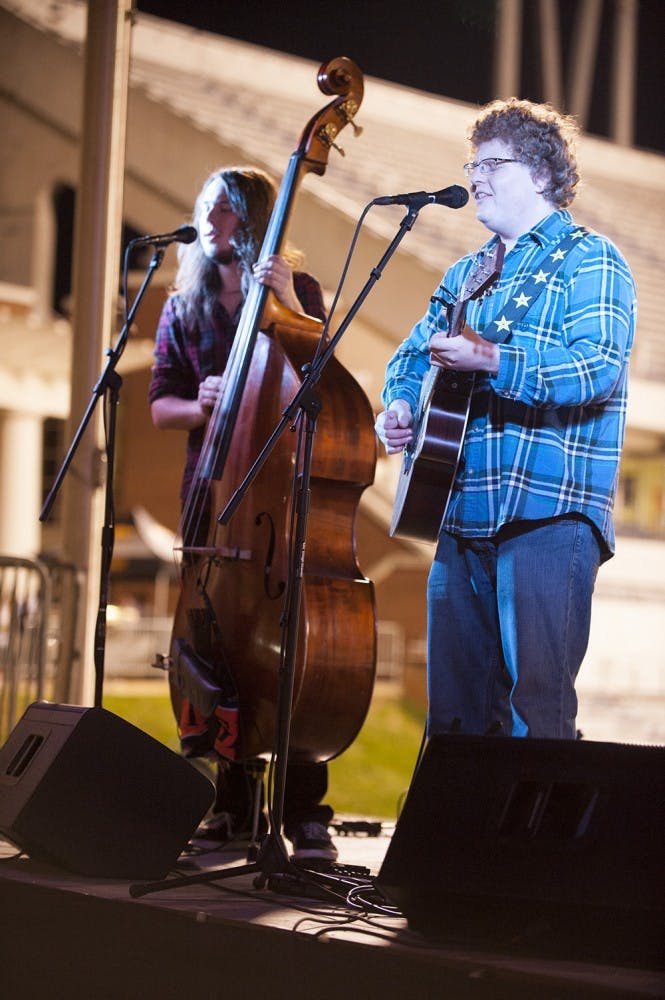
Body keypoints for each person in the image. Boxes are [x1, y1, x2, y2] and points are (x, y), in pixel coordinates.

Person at [375, 98, 636, 741]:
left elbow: (594, 367)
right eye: (473, 164)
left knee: (537, 712)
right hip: (461, 513)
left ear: (543, 174)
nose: (476, 178)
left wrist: (491, 357)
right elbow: (411, 355)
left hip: (548, 514)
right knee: (455, 716)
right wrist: (401, 404)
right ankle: (460, 844)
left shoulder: (590, 258)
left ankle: (538, 846)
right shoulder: (468, 272)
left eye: (494, 163)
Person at [149, 166, 337, 861]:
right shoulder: (184, 302)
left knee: (289, 642)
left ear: (254, 219)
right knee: (213, 643)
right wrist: (197, 404)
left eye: (224, 208)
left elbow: (322, 375)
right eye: (204, 205)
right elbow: (159, 403)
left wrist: (290, 305)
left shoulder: (298, 292)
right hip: (208, 494)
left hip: (275, 498)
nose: (208, 217)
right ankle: (230, 803)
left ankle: (303, 805)